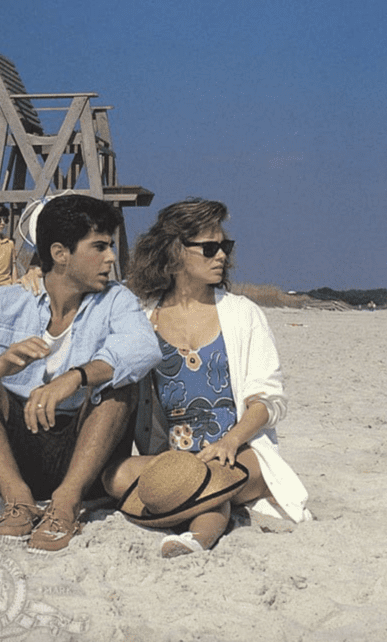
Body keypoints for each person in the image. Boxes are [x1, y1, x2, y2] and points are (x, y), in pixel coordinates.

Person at [0, 195, 161, 552]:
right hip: (9, 454)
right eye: (99, 247)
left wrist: (75, 376)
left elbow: (143, 347)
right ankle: (18, 500)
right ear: (60, 254)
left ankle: (65, 504)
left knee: (118, 380)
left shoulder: (115, 300)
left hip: (84, 453)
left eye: (111, 246)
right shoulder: (4, 302)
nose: (111, 257)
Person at [103, 198, 311, 558]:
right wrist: (33, 271)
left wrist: (230, 442)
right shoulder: (142, 315)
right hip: (172, 458)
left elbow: (267, 400)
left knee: (213, 478)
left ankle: (197, 537)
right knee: (116, 476)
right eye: (210, 248)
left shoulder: (243, 314)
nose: (222, 257)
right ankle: (196, 505)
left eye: (225, 247)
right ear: (175, 251)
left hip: (240, 454)